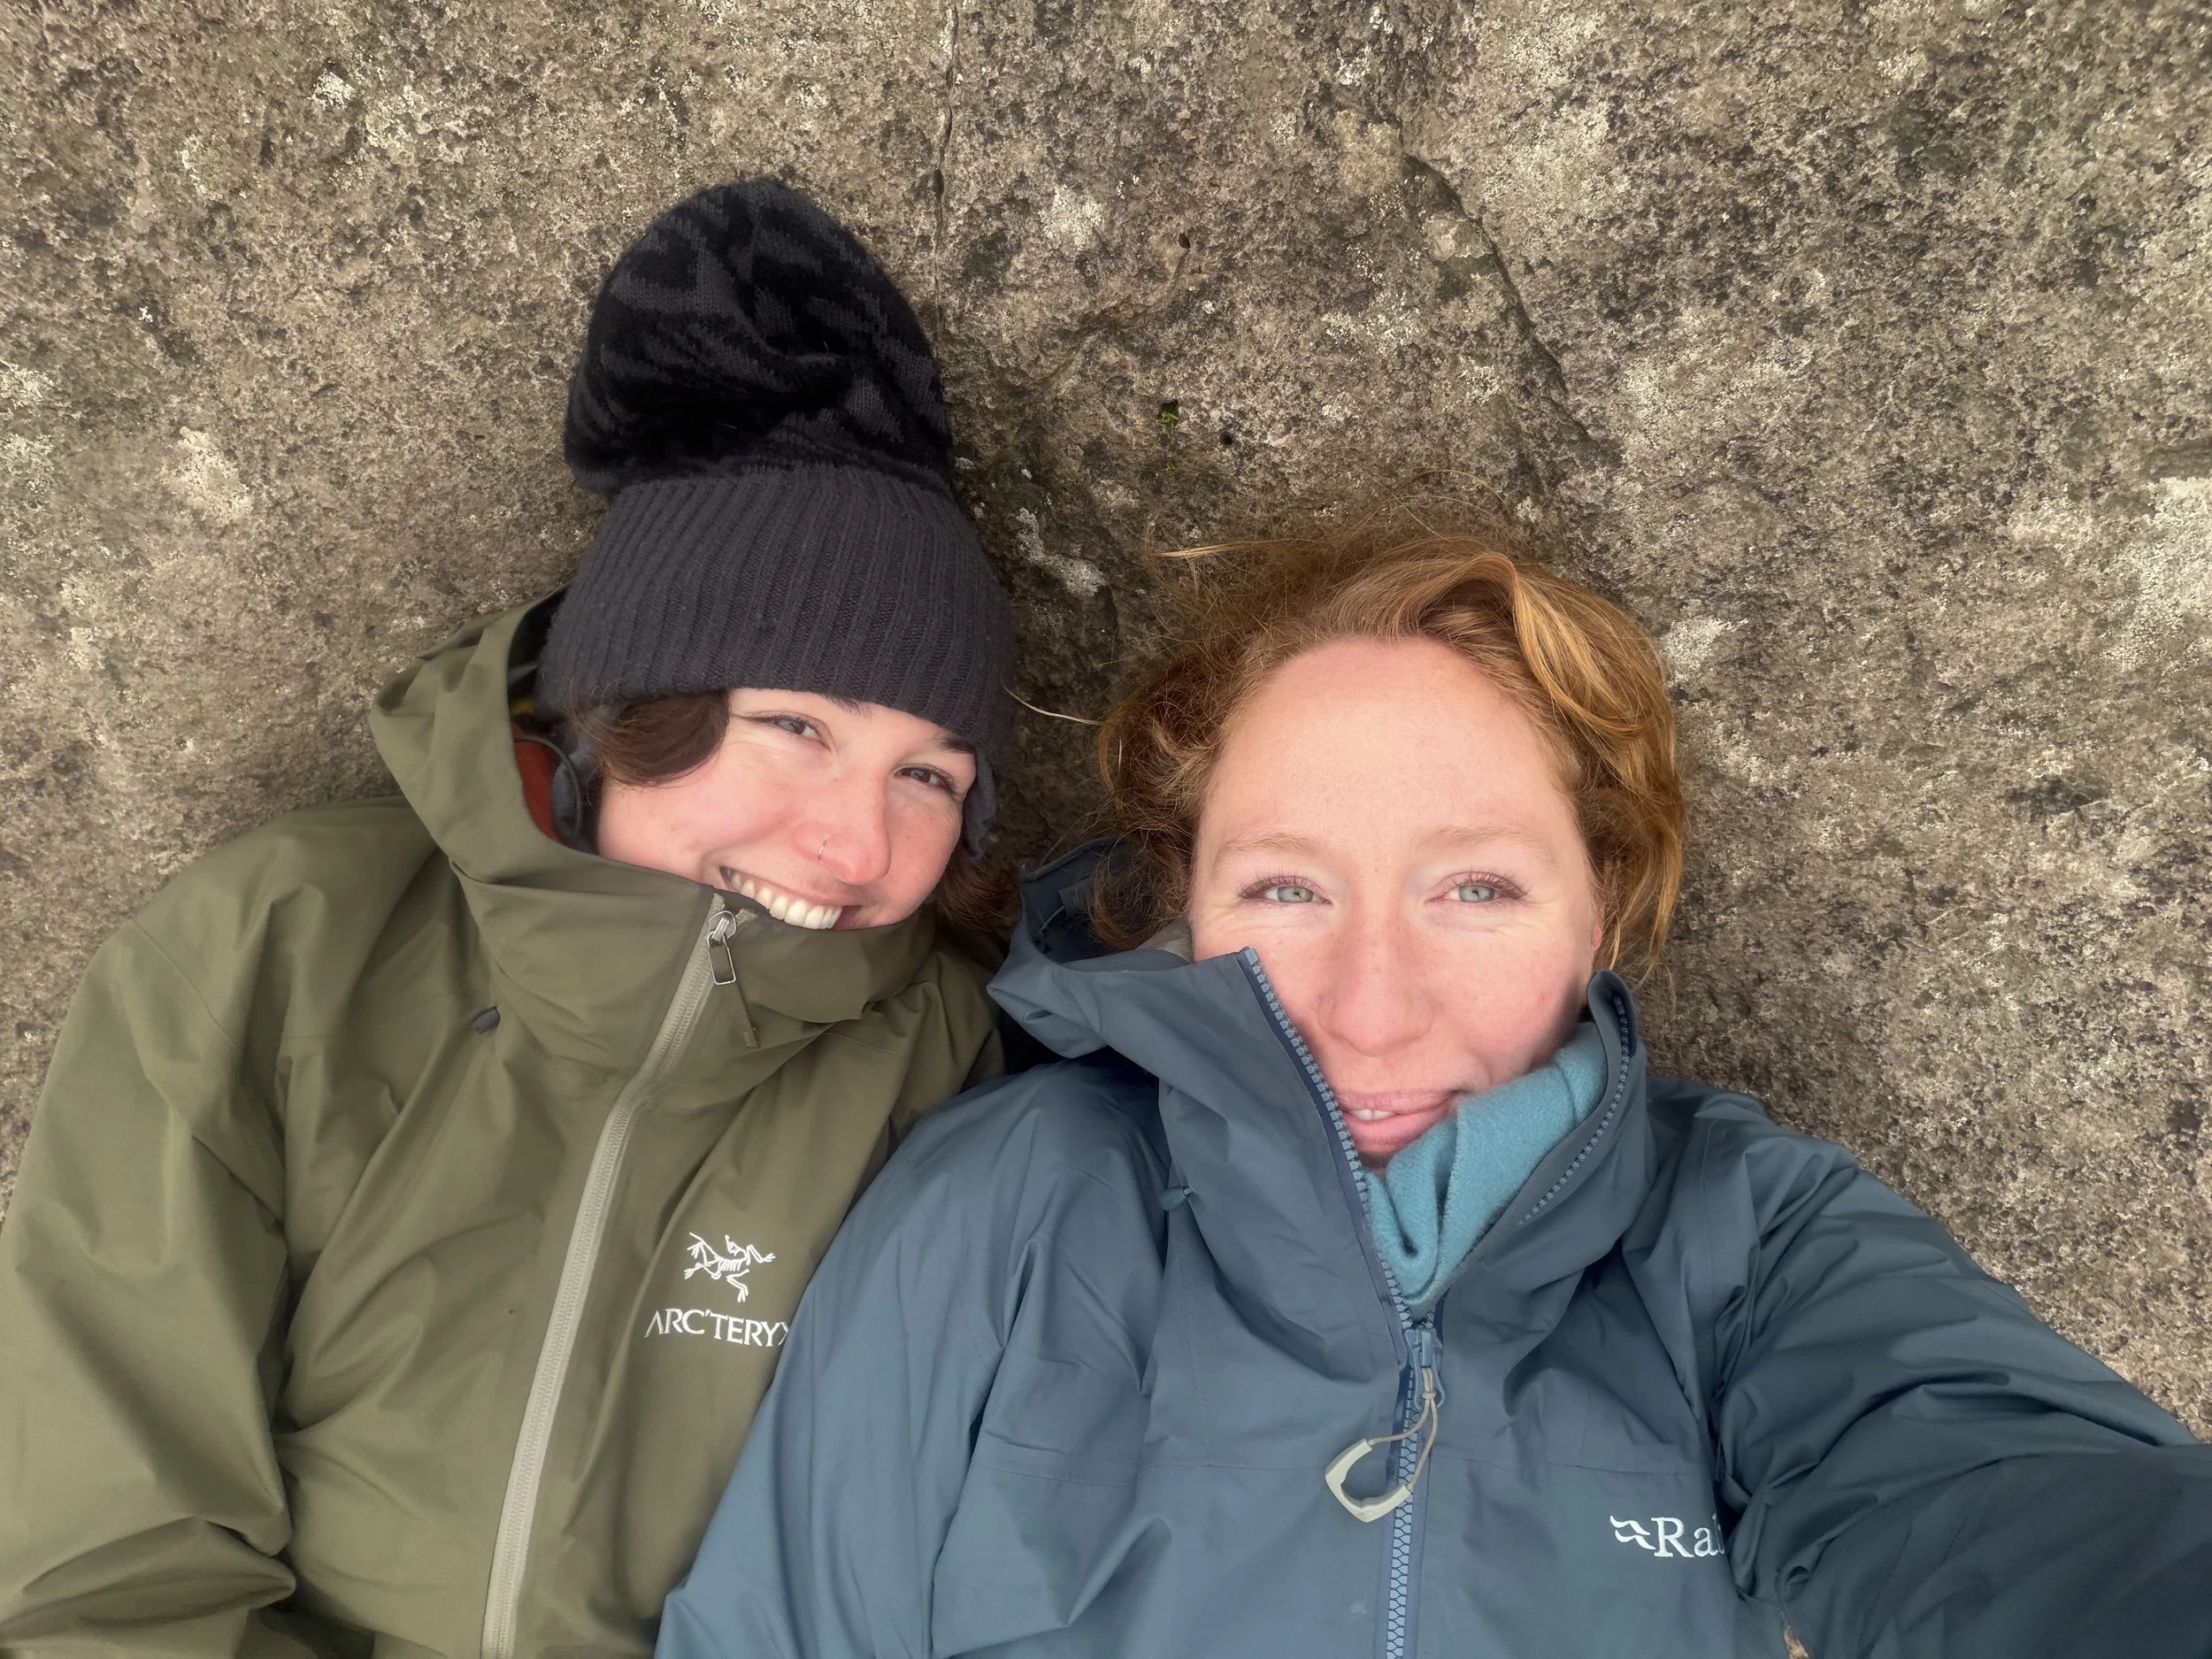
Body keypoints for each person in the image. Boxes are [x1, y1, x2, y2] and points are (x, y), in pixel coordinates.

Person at [658, 518, 2212, 1659]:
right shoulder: (1002, 1203)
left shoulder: (1746, 1239)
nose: (1372, 1010)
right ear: (1186, 904)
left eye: (1472, 889)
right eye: (1286, 890)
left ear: (1599, 906)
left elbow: (2009, 1502)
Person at [0, 178, 1018, 1658]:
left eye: (932, 773)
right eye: (796, 724)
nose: (857, 840)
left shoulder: (943, 1067)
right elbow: (111, 1547)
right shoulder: (280, 949)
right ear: (628, 707)